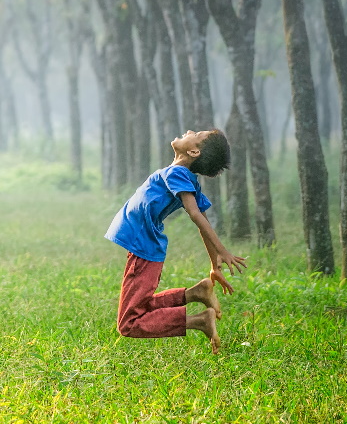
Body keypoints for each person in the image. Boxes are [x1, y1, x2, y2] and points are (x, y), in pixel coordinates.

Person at [105, 129, 247, 354]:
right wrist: (214, 264)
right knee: (140, 307)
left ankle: (199, 321)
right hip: (144, 246)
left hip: (144, 248)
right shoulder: (182, 175)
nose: (189, 130)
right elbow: (203, 216)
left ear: (193, 151)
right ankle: (196, 293)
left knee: (129, 323)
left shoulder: (179, 173)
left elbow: (196, 214)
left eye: (197, 133)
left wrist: (222, 251)